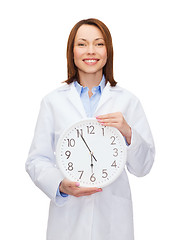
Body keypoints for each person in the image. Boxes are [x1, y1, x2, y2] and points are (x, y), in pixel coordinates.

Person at [26, 18, 155, 240]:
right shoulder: (53, 102)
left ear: (108, 51)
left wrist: (128, 131)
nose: (91, 51)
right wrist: (61, 185)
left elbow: (143, 166)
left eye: (99, 43)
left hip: (113, 219)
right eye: (82, 44)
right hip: (67, 221)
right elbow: (36, 160)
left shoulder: (127, 101)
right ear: (72, 52)